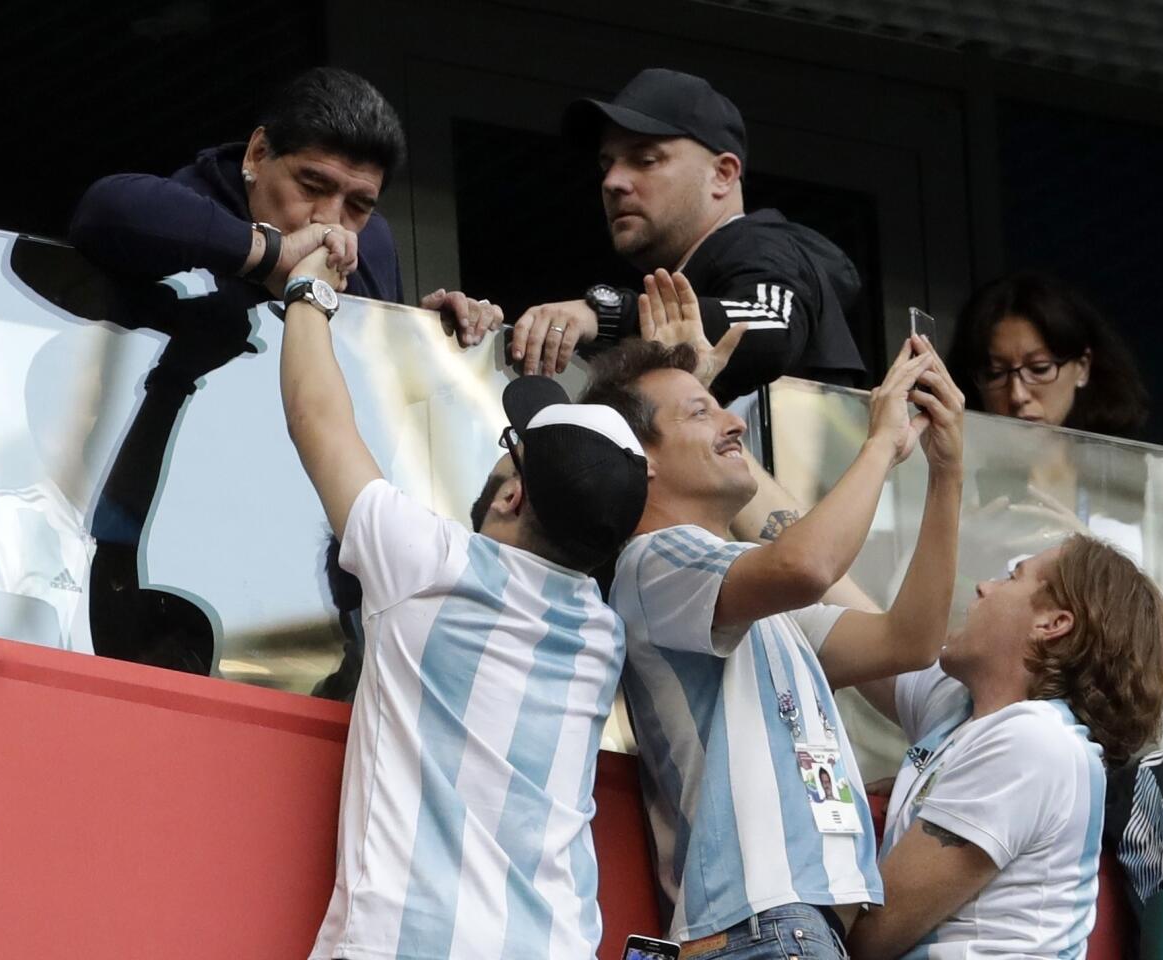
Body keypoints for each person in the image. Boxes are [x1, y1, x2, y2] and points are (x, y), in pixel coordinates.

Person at [278, 233, 650, 960]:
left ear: (512, 493)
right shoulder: (602, 637)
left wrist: (308, 291)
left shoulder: (429, 562)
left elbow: (316, 418)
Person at [580, 270, 964, 956]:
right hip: (763, 928)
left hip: (794, 930)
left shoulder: (757, 608)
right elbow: (806, 564)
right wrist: (877, 444)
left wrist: (947, 473)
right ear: (641, 461)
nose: (733, 423)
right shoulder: (655, 561)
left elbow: (910, 641)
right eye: (700, 412)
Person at [847, 536, 1163, 959]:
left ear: (1052, 624)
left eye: (1012, 577)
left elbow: (870, 934)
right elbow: (840, 606)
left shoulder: (1034, 741)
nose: (984, 586)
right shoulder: (963, 714)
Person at [69, 66, 499, 345]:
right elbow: (105, 210)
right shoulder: (197, 199)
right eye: (312, 185)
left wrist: (426, 337)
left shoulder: (374, 243)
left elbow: (372, 389)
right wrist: (269, 256)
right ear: (257, 153)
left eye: (359, 203)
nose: (330, 219)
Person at [513, 67, 865, 403]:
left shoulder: (760, 244)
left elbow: (769, 326)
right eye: (607, 165)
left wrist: (607, 314)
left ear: (723, 175)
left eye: (646, 160)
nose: (612, 182)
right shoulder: (701, 270)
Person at [947, 270, 1148, 438]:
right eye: (994, 374)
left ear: (1083, 367)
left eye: (1039, 369)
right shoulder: (953, 472)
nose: (1017, 396)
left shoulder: (1145, 475)